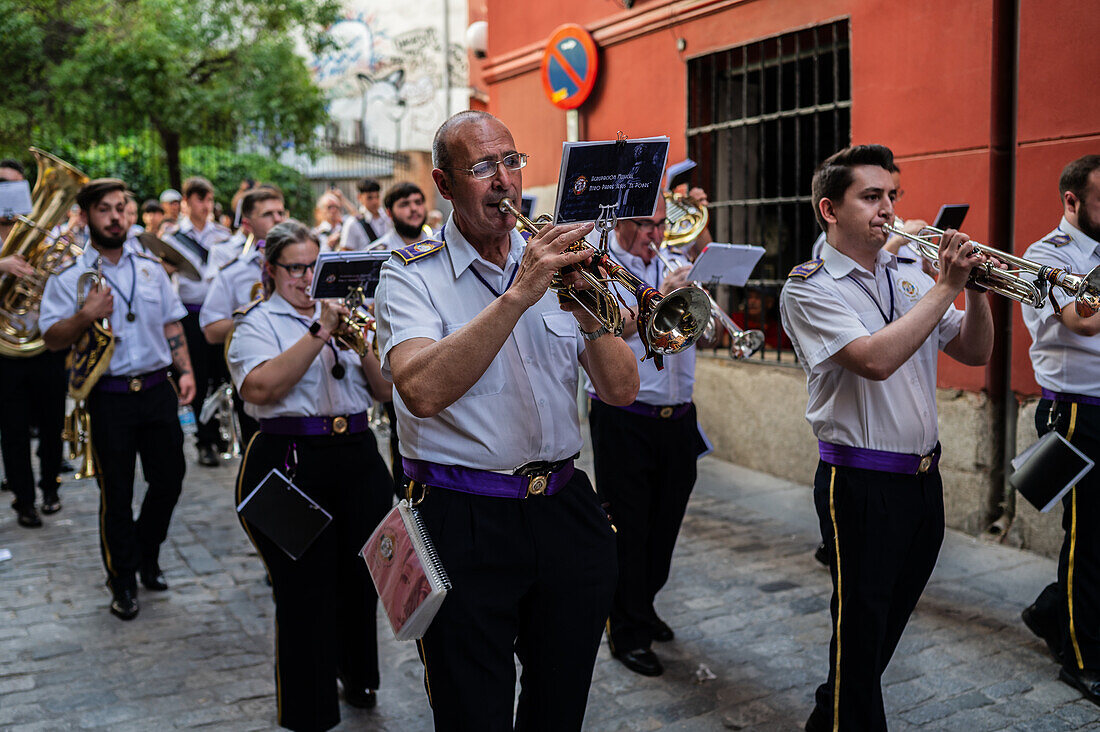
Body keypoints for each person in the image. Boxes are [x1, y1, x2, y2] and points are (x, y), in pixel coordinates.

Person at [375, 110, 639, 730]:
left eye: (511, 161)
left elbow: (622, 391)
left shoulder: (558, 262)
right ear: (444, 185)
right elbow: (421, 390)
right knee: (473, 711)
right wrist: (519, 293)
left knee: (560, 701)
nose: (503, 181)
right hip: (460, 513)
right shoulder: (409, 273)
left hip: (564, 508)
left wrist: (588, 310)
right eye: (482, 167)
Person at [779, 144, 994, 731]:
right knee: (859, 632)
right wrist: (945, 287)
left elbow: (974, 352)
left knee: (876, 638)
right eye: (871, 197)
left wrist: (974, 290)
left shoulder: (907, 277)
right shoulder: (809, 288)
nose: (888, 208)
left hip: (924, 480)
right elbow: (873, 360)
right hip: (860, 484)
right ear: (830, 209)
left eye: (891, 195)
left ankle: (828, 720)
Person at [229, 220, 393, 731]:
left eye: (313, 267)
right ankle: (308, 711)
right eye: (294, 269)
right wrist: (319, 333)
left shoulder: (347, 315)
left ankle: (358, 673)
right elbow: (258, 389)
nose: (305, 279)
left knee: (361, 576)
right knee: (304, 590)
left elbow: (385, 390)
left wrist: (356, 337)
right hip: (289, 459)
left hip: (357, 452)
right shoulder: (258, 322)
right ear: (270, 271)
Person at [40, 178, 195, 620]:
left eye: (120, 208)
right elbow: (52, 339)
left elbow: (171, 324)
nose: (115, 216)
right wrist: (85, 315)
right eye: (105, 209)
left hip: (156, 390)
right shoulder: (69, 275)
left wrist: (183, 371)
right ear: (87, 217)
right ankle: (123, 578)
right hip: (107, 397)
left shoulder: (150, 267)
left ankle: (147, 552)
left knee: (170, 479)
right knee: (118, 492)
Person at [583, 193, 708, 678]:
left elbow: (701, 331)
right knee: (628, 530)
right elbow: (608, 333)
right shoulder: (600, 268)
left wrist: (701, 311)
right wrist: (663, 300)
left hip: (678, 417)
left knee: (665, 525)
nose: (654, 235)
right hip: (625, 416)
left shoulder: (676, 261)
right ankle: (625, 630)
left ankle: (645, 605)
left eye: (660, 225)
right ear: (620, 223)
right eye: (645, 225)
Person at [1019, 154, 1100, 704]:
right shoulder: (1044, 256)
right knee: (1089, 538)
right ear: (1072, 201)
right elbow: (1081, 318)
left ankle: (1054, 609)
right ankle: (1082, 655)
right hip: (1075, 411)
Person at [0, 160, 68, 527]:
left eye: (14, 185)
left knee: (52, 422)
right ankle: (23, 500)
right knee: (12, 429)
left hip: (43, 344)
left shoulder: (44, 234)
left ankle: (51, 487)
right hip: (5, 352)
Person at [201, 187, 287, 444]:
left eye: (281, 212)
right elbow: (211, 329)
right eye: (268, 214)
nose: (278, 219)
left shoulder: (307, 266)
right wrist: (256, 321)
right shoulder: (233, 272)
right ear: (247, 224)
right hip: (257, 374)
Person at [165, 176, 231, 466]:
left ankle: (223, 434)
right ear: (187, 201)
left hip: (219, 313)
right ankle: (204, 440)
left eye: (209, 199)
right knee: (200, 376)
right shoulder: (172, 238)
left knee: (223, 374)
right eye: (200, 199)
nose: (206, 205)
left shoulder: (224, 235)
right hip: (191, 314)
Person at [366, 182, 428, 252]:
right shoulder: (376, 254)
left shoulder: (439, 244)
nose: (414, 208)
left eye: (418, 202)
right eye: (404, 204)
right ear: (389, 213)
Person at [340, 177, 392, 251]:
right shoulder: (352, 223)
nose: (375, 201)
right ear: (359, 197)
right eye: (369, 198)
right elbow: (346, 251)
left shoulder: (389, 219)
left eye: (377, 197)